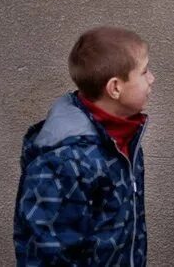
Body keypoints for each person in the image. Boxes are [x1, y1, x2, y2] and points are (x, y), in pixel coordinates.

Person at [13, 26, 154, 266]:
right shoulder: (64, 160)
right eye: (144, 72)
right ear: (115, 88)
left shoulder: (124, 139)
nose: (152, 78)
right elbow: (47, 252)